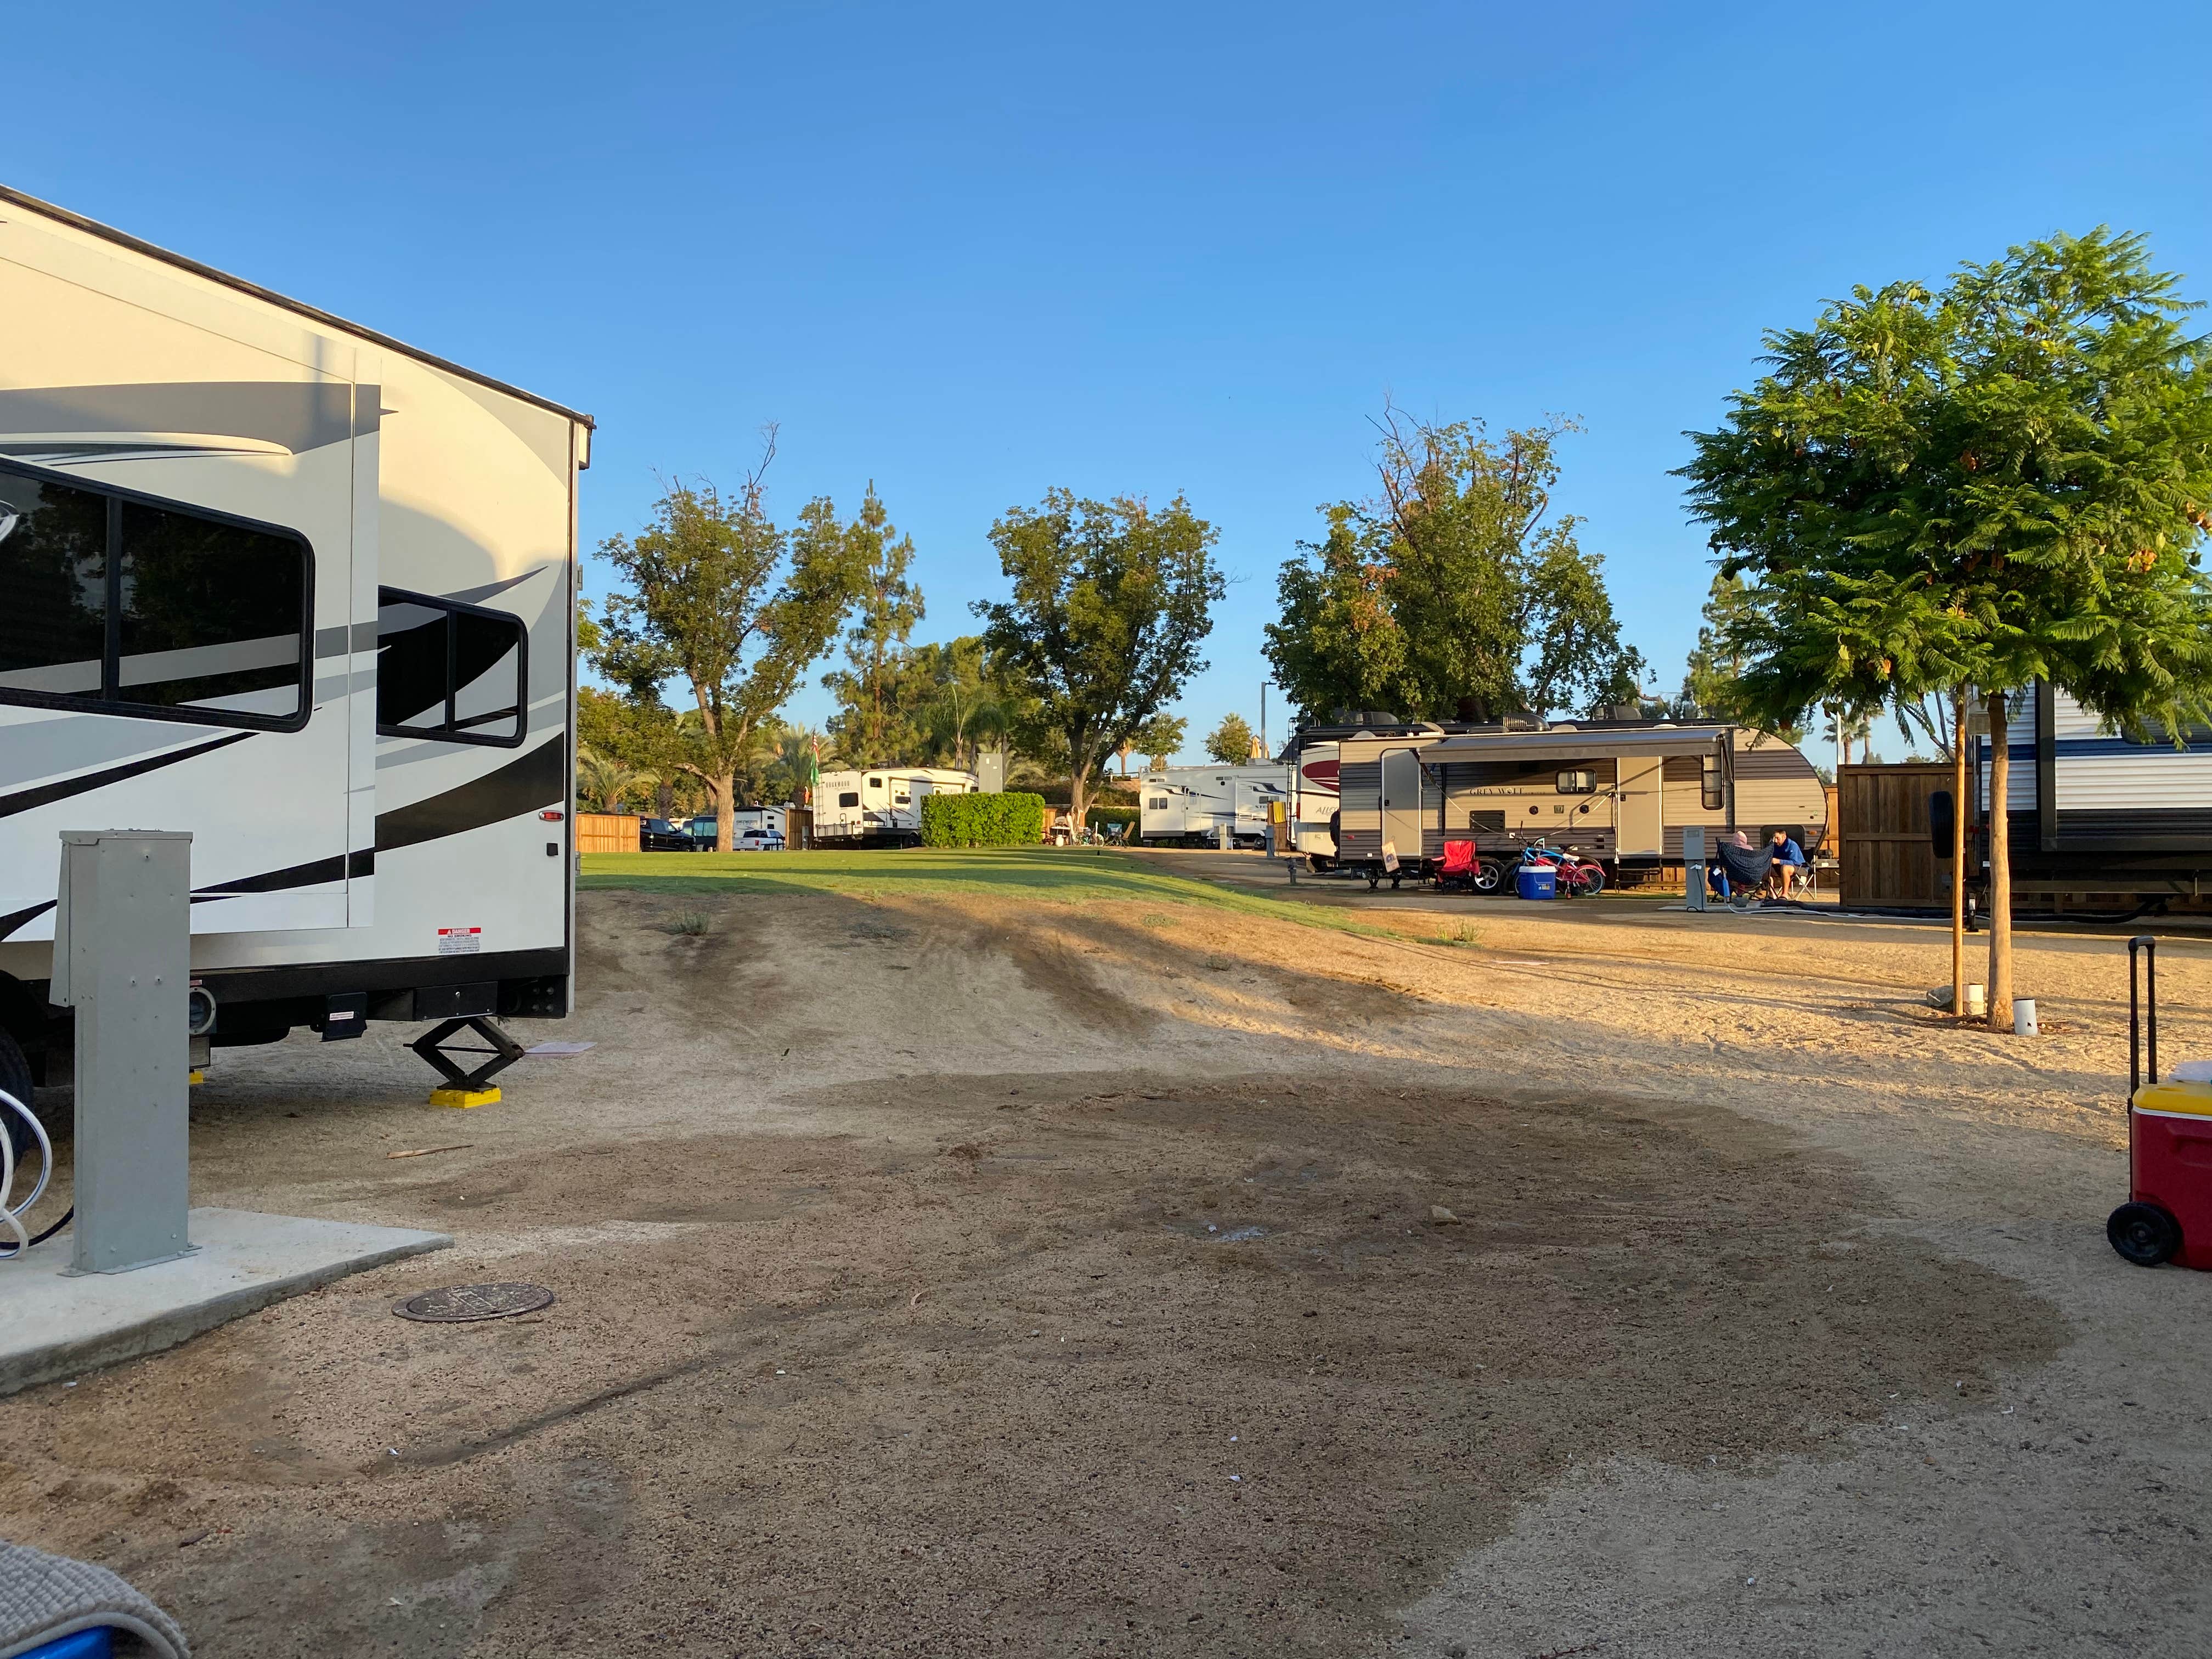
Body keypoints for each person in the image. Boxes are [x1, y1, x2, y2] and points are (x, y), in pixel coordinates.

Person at [1766, 827, 1807, 898]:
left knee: (1785, 868)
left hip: (1800, 868)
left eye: (1778, 838)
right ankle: (1772, 893)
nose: (1775, 841)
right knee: (1765, 868)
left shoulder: (1792, 845)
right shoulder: (1775, 846)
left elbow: (1794, 862)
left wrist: (1779, 861)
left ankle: (1785, 894)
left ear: (1784, 837)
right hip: (1781, 867)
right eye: (1774, 838)